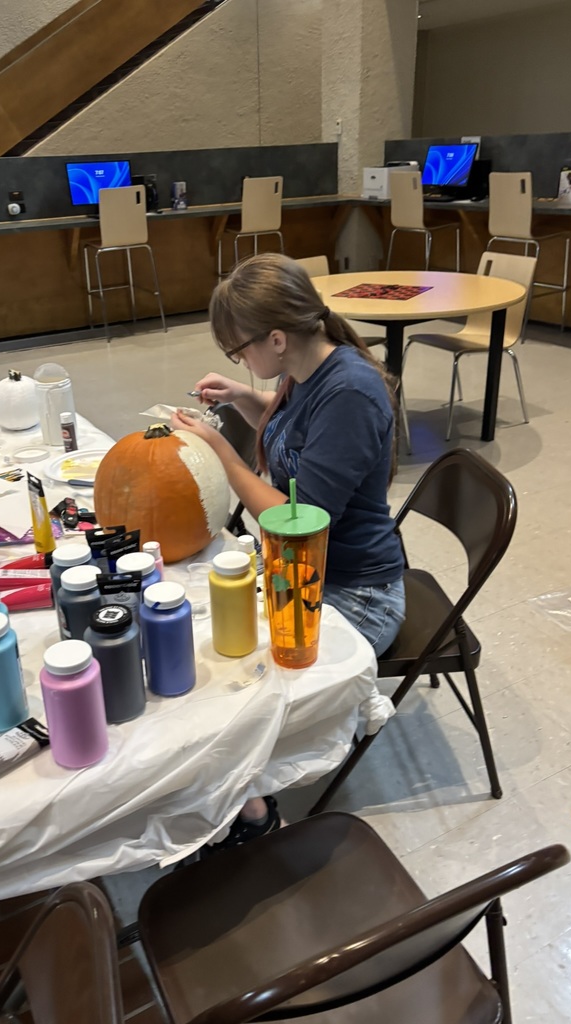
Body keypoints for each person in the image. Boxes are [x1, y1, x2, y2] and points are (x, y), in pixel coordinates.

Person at [171, 252, 405, 846]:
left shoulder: (350, 390)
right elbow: (296, 442)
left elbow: (291, 519)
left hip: (357, 589)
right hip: (306, 570)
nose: (241, 361)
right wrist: (242, 400)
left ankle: (254, 813)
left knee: (239, 676)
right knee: (206, 632)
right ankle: (225, 787)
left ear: (277, 338)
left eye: (239, 351)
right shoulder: (301, 367)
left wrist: (221, 452)